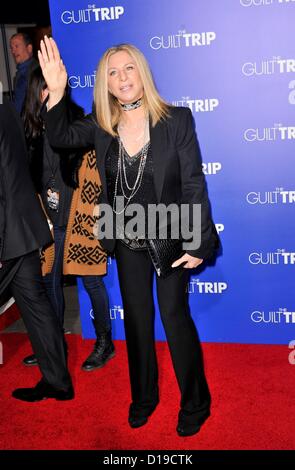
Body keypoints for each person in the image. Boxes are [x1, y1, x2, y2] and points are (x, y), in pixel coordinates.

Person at [38, 36, 219, 436]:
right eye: (113, 73)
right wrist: (55, 92)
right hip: (125, 236)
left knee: (174, 319)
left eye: (128, 68)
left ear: (142, 72)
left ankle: (196, 402)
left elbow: (193, 184)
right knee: (137, 321)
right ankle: (144, 398)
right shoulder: (102, 126)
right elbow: (60, 138)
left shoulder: (177, 120)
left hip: (170, 232)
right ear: (106, 83)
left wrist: (198, 242)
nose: (122, 78)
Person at [21, 66, 114, 371]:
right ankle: (54, 344)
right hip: (49, 220)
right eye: (43, 89)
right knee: (50, 281)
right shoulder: (33, 132)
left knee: (91, 281)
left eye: (53, 87)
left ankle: (105, 342)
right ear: (36, 95)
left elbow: (94, 176)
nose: (48, 94)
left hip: (81, 219)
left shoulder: (77, 124)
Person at [0, 100, 73, 402]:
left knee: (37, 305)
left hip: (7, 236)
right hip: (24, 227)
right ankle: (58, 382)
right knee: (36, 305)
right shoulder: (6, 111)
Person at [9, 32, 38, 113]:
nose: (13, 51)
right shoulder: (19, 74)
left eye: (16, 46)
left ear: (29, 48)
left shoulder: (38, 72)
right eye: (11, 48)